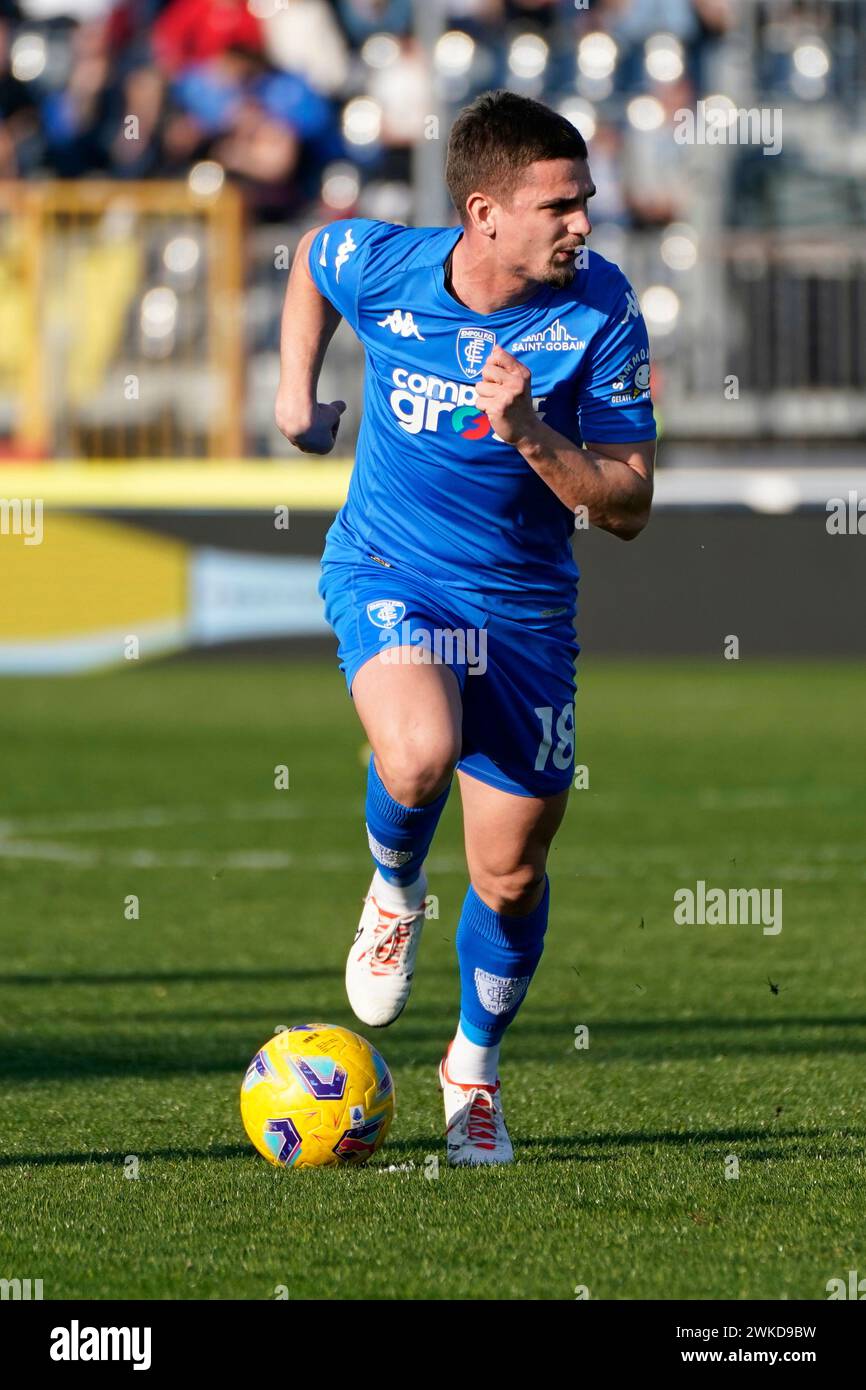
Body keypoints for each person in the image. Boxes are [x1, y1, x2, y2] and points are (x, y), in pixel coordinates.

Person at [275, 89, 656, 1166]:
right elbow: (313, 255)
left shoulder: (600, 312)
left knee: (510, 875)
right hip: (391, 570)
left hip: (524, 611)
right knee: (418, 752)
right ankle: (393, 889)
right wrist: (293, 402)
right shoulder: (392, 268)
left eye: (582, 201)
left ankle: (470, 1072)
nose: (581, 224)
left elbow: (626, 505)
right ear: (484, 214)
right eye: (559, 206)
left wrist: (531, 432)